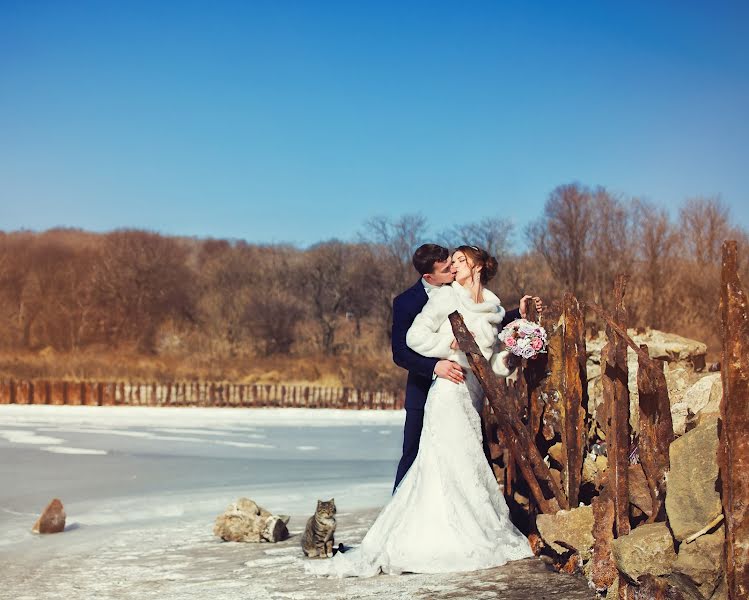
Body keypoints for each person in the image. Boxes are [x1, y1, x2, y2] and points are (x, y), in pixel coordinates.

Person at [306, 245, 536, 577]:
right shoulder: (444, 298)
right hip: (447, 392)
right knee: (444, 464)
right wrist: (444, 354)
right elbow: (412, 339)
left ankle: (479, 530)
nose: (454, 266)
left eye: (459, 260)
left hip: (473, 393)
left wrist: (513, 355)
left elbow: (491, 360)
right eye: (451, 261)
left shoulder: (494, 305)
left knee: (470, 464)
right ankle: (440, 536)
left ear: (478, 266)